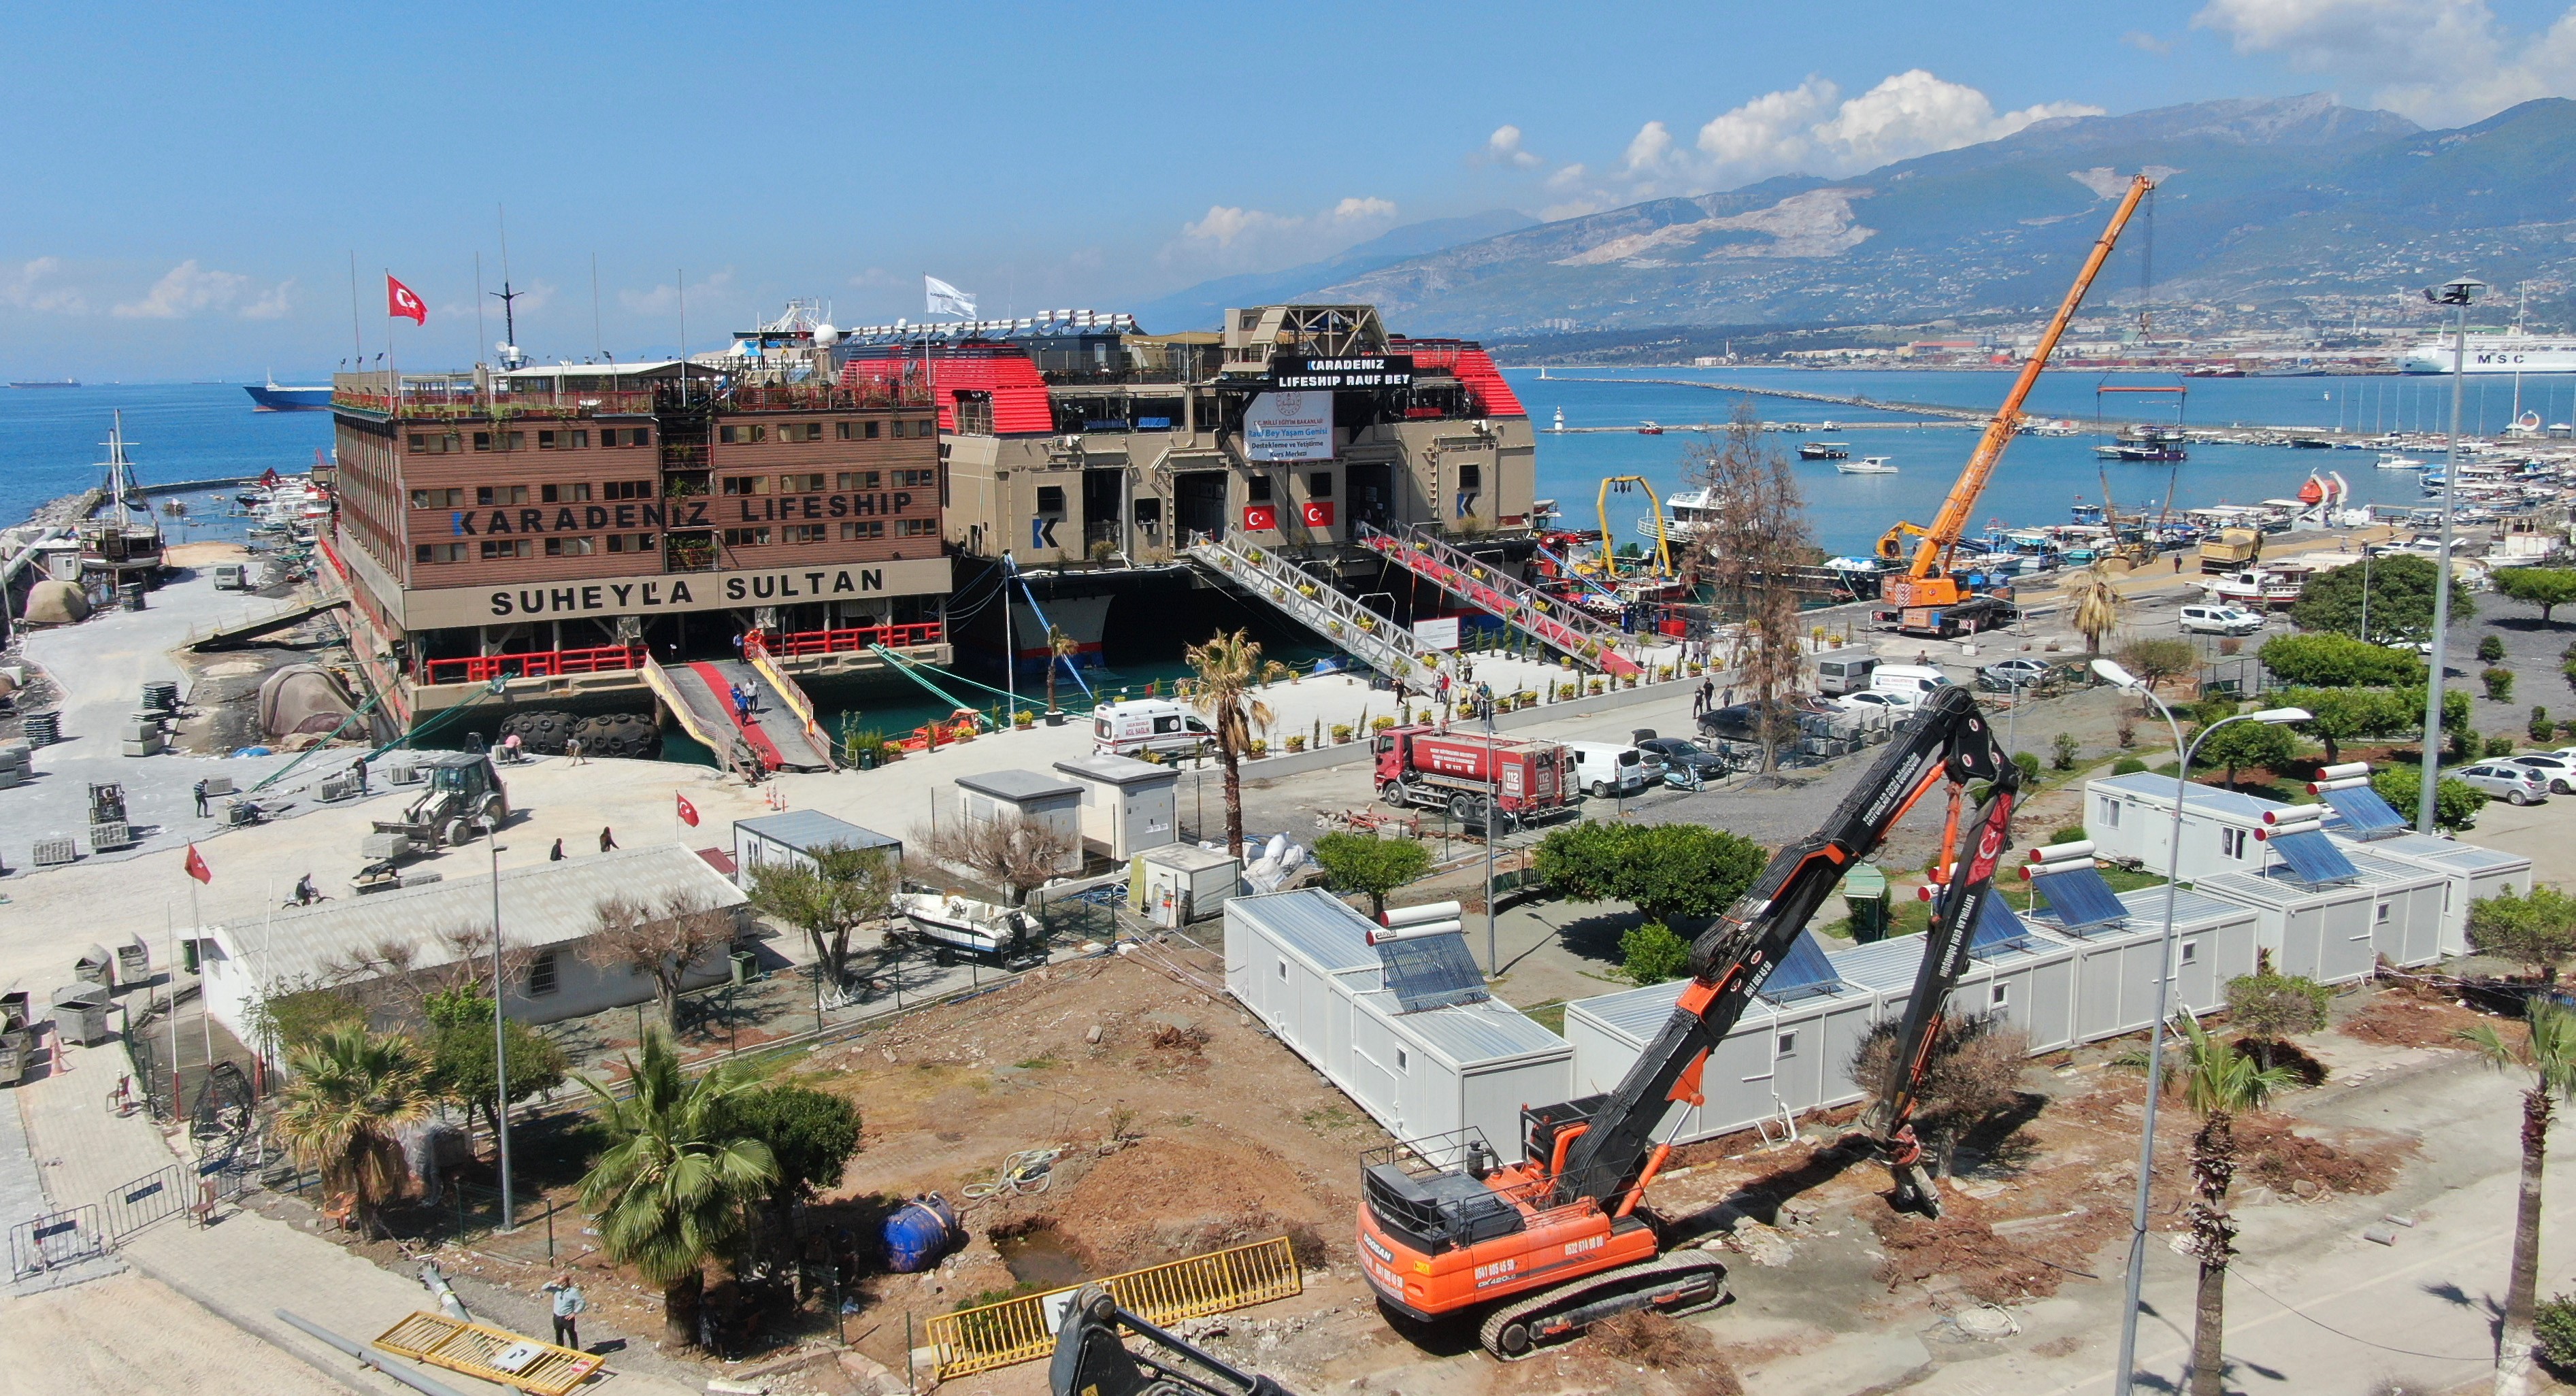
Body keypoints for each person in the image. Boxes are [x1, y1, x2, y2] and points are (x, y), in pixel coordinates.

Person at [541, 1274, 585, 1350]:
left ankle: (574, 1351)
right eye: (558, 1282)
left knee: (571, 1334)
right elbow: (544, 1288)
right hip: (557, 1317)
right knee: (558, 1334)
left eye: (560, 1282)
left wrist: (574, 1313)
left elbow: (582, 1303)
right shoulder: (556, 1289)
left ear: (565, 1283)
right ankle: (559, 1350)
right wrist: (553, 1282)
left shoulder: (573, 1292)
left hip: (567, 1318)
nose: (558, 1284)